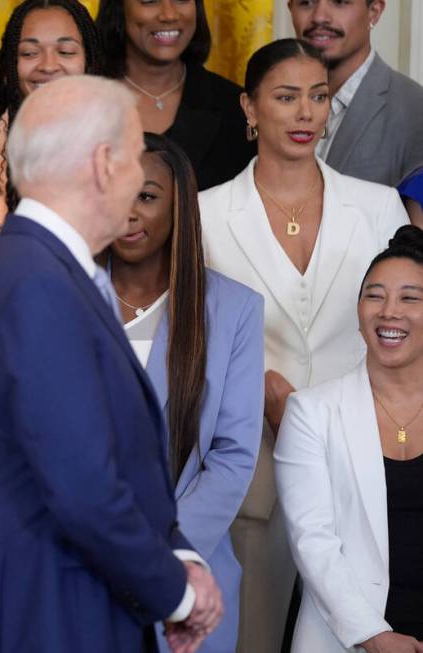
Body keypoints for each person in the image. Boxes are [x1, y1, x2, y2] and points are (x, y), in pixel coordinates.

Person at [0, 74, 222, 653]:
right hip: (51, 622)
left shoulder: (37, 271)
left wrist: (180, 556)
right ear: (103, 164)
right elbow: (84, 488)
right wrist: (178, 592)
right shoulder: (36, 285)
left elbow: (114, 461)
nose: (138, 176)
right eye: (136, 158)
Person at [198, 38, 409, 653]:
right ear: (250, 107)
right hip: (251, 465)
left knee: (362, 629)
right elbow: (195, 338)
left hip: (364, 457)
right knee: (252, 637)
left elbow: (402, 327)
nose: (304, 114)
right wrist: (261, 391)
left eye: (318, 97)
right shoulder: (207, 215)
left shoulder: (376, 207)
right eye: (286, 98)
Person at [107, 132, 264, 652]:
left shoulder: (234, 310)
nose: (129, 211)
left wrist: (160, 554)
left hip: (190, 573)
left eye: (147, 196)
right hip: (82, 568)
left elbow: (232, 455)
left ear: (180, 207)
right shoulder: (65, 294)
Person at [275, 225, 423, 652]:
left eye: (409, 297)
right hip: (349, 638)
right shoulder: (311, 414)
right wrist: (373, 636)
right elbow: (313, 544)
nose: (389, 311)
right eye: (375, 295)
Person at [94, 0, 254, 192]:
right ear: (119, 9)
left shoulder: (238, 109)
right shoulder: (78, 101)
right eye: (150, 1)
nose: (169, 15)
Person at [0, 0, 98, 222]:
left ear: (88, 61)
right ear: (10, 64)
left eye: (65, 51)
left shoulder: (120, 141)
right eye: (30, 53)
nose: (48, 66)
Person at [290, 0, 423, 188]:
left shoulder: (415, 112)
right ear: (290, 9)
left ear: (374, 11)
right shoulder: (265, 105)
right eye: (306, 3)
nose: (319, 17)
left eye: (339, 2)